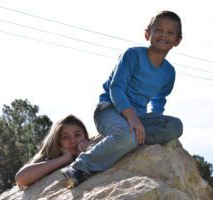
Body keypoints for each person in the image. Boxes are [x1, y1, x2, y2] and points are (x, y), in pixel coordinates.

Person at [61, 10, 184, 188]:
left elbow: (159, 100)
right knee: (127, 136)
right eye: (158, 30)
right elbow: (116, 88)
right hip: (110, 109)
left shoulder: (169, 72)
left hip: (138, 118)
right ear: (147, 33)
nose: (164, 35)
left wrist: (148, 121)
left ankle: (131, 141)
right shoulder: (132, 55)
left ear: (178, 40)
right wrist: (132, 118)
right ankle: (81, 166)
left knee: (175, 126)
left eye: (170, 32)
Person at [15, 114, 102, 187]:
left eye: (77, 135)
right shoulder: (51, 159)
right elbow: (21, 178)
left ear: (85, 135)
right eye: (65, 137)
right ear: (57, 141)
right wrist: (65, 158)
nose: (73, 141)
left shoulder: (91, 144)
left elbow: (113, 137)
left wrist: (84, 147)